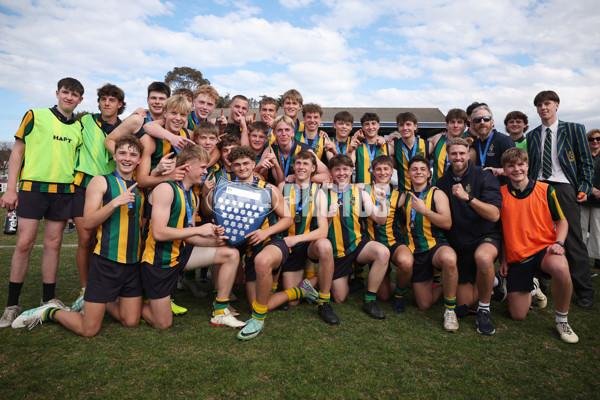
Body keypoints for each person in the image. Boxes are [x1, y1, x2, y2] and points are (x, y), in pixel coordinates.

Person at [12, 137, 145, 336]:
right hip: (106, 263)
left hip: (132, 265)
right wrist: (115, 203)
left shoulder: (140, 187)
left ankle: (99, 300)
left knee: (131, 321)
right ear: (114, 155)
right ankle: (51, 312)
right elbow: (89, 222)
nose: (128, 158)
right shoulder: (101, 181)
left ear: (139, 160)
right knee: (89, 329)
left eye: (133, 154)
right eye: (123, 153)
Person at [0, 77, 84, 328]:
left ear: (80, 100)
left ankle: (48, 298)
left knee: (54, 244)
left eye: (75, 95)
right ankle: (12, 305)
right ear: (57, 93)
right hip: (33, 188)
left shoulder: (78, 128)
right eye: (66, 92)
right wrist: (11, 189)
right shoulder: (34, 116)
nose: (69, 97)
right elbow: (18, 151)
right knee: (24, 243)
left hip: (62, 191)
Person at [140, 145, 245, 330]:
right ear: (188, 166)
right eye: (203, 167)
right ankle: (130, 302)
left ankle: (220, 312)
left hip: (179, 255)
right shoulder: (166, 189)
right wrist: (199, 230)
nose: (206, 171)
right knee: (162, 323)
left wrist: (215, 240)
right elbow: (159, 233)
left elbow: (188, 238)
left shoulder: (193, 196)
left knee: (231, 253)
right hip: (158, 261)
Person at [499, 147, 578, 343]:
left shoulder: (545, 190)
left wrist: (559, 242)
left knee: (560, 266)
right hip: (518, 256)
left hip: (544, 249)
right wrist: (503, 259)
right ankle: (533, 287)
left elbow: (562, 221)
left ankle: (562, 321)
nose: (516, 169)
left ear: (527, 166)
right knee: (518, 315)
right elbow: (500, 230)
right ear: (504, 170)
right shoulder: (500, 194)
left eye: (520, 164)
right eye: (511, 166)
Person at [213, 146, 293, 340]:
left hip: (271, 242)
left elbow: (288, 218)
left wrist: (265, 231)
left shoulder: (268, 188)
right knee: (254, 301)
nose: (242, 167)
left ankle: (258, 319)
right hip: (248, 248)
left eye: (246, 163)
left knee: (262, 262)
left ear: (253, 164)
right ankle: (300, 291)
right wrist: (219, 229)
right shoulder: (226, 188)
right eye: (237, 164)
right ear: (231, 166)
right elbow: (220, 217)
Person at [526, 90, 595, 308]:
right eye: (539, 105)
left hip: (564, 187)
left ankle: (584, 291)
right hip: (539, 187)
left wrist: (584, 187)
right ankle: (540, 286)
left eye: (547, 104)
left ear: (557, 105)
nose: (543, 108)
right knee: (539, 237)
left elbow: (586, 161)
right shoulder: (533, 135)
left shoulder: (574, 129)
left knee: (572, 238)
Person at [70, 84, 126, 312]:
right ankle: (85, 290)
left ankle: (108, 289)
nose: (106, 103)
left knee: (105, 242)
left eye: (112, 100)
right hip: (83, 186)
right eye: (103, 99)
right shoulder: (84, 122)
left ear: (120, 104)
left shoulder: (125, 129)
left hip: (111, 188)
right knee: (85, 240)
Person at [437, 138, 502, 335]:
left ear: (468, 155)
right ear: (448, 156)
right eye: (453, 154)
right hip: (459, 243)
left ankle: (484, 310)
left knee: (483, 259)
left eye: (461, 153)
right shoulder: (442, 182)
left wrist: (469, 198)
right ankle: (495, 283)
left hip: (485, 237)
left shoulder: (483, 177)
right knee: (463, 303)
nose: (457, 157)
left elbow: (494, 214)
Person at [276, 150, 338, 324]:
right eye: (298, 163)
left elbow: (322, 231)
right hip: (285, 244)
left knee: (325, 245)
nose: (301, 167)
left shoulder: (318, 192)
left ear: (313, 169)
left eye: (305, 164)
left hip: (305, 244)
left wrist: (297, 239)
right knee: (294, 301)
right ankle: (306, 287)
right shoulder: (282, 187)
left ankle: (324, 302)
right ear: (293, 166)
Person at [325, 154, 390, 319]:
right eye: (337, 169)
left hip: (357, 245)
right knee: (339, 298)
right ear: (331, 172)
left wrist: (382, 201)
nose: (341, 173)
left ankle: (369, 300)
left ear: (352, 170)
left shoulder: (359, 193)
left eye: (345, 169)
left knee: (382, 252)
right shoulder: (322, 192)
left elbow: (380, 220)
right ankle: (351, 274)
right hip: (336, 251)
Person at [401, 155, 459, 332]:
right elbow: (404, 225)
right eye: (414, 169)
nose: (418, 172)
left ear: (428, 174)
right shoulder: (404, 197)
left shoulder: (437, 193)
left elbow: (447, 223)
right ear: (409, 174)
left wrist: (424, 211)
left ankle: (450, 310)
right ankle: (441, 285)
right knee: (424, 304)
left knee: (449, 259)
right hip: (416, 252)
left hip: (435, 246)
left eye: (422, 169)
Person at [362, 156, 413, 310]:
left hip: (394, 242)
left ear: (392, 172)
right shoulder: (364, 191)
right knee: (383, 296)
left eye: (386, 169)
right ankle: (388, 281)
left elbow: (408, 220)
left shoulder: (401, 196)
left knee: (406, 262)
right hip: (374, 245)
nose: (382, 172)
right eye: (378, 169)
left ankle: (399, 294)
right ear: (373, 171)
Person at [260, 115, 330, 185]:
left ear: (293, 132)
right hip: (277, 192)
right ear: (274, 133)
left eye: (287, 130)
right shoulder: (270, 150)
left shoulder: (305, 150)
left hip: (300, 193)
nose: (284, 134)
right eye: (279, 130)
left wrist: (300, 177)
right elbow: (256, 175)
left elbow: (327, 176)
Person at [469, 104, 515, 182]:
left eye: (486, 119)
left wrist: (498, 170)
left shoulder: (504, 141)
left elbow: (517, 168)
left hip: (502, 190)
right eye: (478, 120)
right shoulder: (474, 144)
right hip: (481, 190)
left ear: (492, 122)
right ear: (473, 125)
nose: (482, 122)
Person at [429, 109, 468, 185]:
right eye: (452, 122)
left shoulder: (469, 143)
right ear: (447, 125)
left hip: (459, 190)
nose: (455, 125)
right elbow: (419, 149)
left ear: (464, 126)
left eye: (459, 122)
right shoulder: (437, 139)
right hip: (437, 190)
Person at [391, 112, 429, 192]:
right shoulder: (393, 145)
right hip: (404, 194)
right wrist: (380, 138)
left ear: (415, 126)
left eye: (408, 124)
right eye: (401, 125)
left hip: (424, 194)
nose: (405, 128)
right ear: (398, 127)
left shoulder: (428, 145)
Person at [581, 129, 600, 274]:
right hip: (584, 196)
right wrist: (591, 189)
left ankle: (597, 259)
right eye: (592, 139)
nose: (595, 141)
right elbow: (578, 173)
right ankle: (581, 261)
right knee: (580, 230)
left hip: (599, 199)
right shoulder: (583, 156)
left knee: (598, 230)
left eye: (598, 139)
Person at [351, 113, 389, 184]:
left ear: (378, 125)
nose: (370, 127)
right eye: (367, 124)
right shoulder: (357, 146)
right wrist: (353, 140)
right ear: (362, 127)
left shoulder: (388, 146)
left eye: (373, 123)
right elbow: (349, 163)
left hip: (382, 190)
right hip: (363, 191)